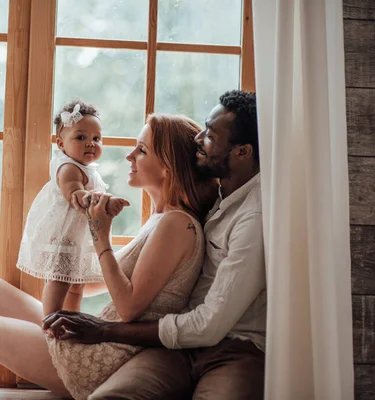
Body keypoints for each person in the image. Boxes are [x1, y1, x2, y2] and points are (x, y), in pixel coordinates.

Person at [0, 113, 218, 398]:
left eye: (142, 150)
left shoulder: (176, 224)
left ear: (168, 167)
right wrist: (64, 247)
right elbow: (93, 284)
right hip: (98, 339)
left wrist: (100, 234)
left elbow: (130, 306)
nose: (130, 155)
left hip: (105, 360)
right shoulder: (162, 218)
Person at [43, 90, 266, 400]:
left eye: (211, 136)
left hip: (233, 348)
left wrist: (104, 329)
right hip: (177, 346)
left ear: (242, 152)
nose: (199, 139)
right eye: (203, 127)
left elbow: (208, 326)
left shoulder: (253, 217)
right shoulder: (213, 199)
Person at [16, 98, 129, 316]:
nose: (91, 143)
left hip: (76, 237)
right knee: (59, 280)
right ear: (61, 144)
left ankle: (70, 319)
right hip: (64, 236)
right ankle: (50, 319)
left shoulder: (86, 168)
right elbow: (76, 196)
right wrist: (105, 202)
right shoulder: (68, 168)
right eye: (81, 137)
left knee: (76, 284)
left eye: (97, 138)